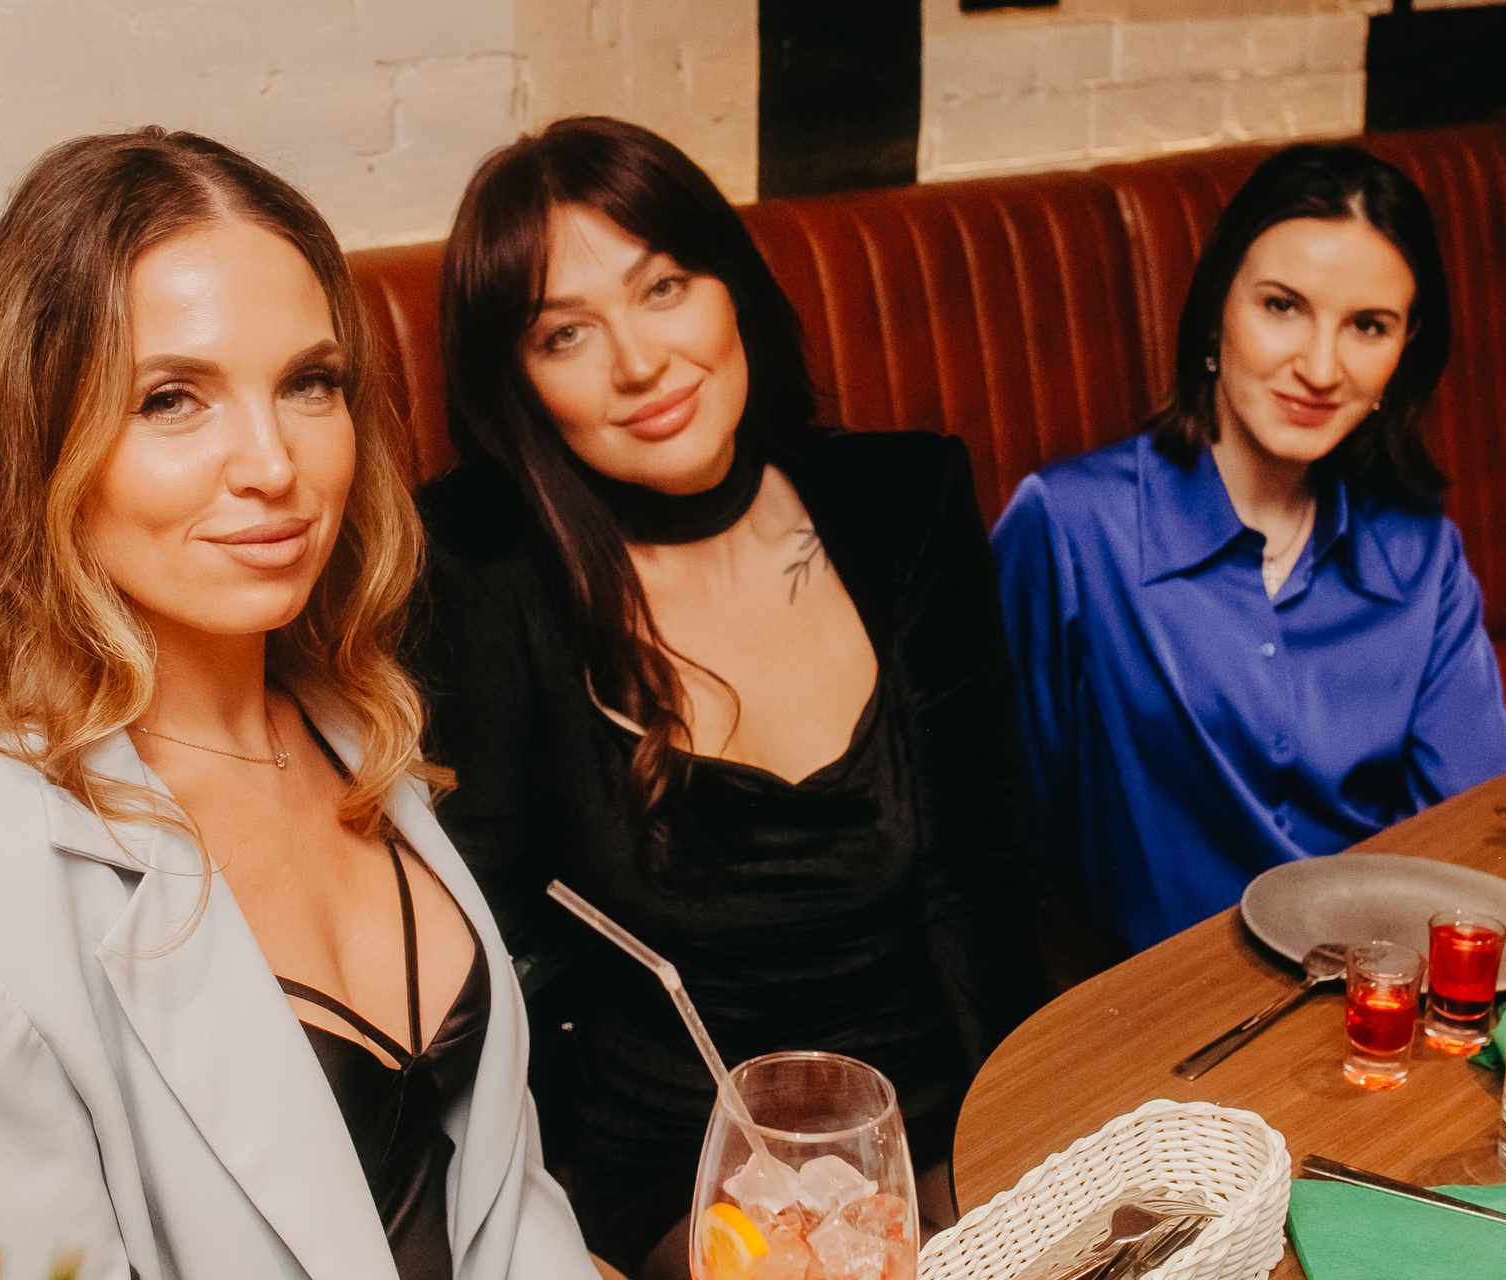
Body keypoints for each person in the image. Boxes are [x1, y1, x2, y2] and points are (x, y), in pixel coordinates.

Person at [0, 128, 600, 1280]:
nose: (272, 462)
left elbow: (506, 1204)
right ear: (45, 443)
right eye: (172, 398)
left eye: (309, 383)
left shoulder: (351, 724)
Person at [415, 116, 1038, 1279]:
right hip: (682, 1162)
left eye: (665, 286)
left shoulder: (904, 501)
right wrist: (530, 1230)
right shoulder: (487, 569)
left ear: (732, 286)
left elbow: (981, 876)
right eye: (565, 332)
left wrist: (1029, 1146)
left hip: (931, 1113)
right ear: (520, 381)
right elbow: (476, 942)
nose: (639, 361)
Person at [991, 143, 1506, 957]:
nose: (1320, 367)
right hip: (1160, 1003)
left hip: (1375, 992)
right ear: (1217, 308)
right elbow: (1000, 839)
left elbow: (1475, 837)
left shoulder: (1421, 552)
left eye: (1368, 326)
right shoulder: (1070, 528)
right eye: (1282, 306)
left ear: (1404, 349)